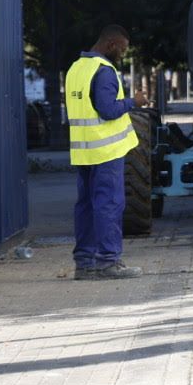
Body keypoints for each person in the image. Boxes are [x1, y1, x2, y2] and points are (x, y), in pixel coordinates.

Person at [66, 25, 145, 279]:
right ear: (111, 44)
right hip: (106, 150)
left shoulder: (76, 69)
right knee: (109, 205)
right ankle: (108, 262)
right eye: (121, 49)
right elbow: (108, 110)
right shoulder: (104, 71)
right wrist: (135, 102)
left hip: (84, 151)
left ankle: (85, 263)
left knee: (86, 206)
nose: (122, 54)